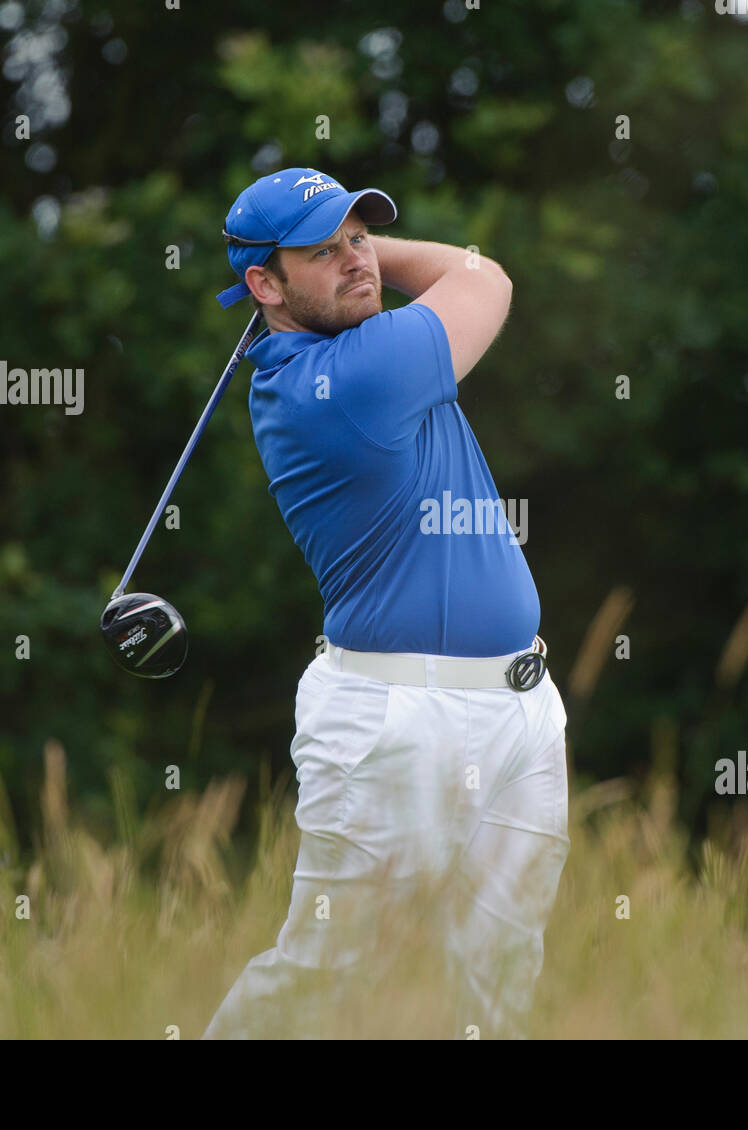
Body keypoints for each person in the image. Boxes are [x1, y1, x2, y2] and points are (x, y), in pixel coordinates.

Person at [201, 168, 569, 1039]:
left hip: (518, 710)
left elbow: (445, 280)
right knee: (324, 972)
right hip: (397, 721)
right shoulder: (353, 378)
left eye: (361, 238)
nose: (357, 262)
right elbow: (484, 277)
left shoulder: (358, 345)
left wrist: (337, 255)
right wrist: (364, 256)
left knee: (502, 975)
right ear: (265, 286)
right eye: (322, 253)